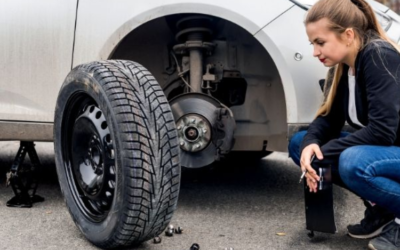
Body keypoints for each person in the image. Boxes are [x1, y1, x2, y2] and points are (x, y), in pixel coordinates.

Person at [288, 0, 400, 249]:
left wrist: (323, 154)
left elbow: (382, 132)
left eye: (320, 42)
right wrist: (311, 147)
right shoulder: (346, 67)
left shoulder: (379, 56)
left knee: (353, 161)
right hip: (391, 152)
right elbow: (328, 119)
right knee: (299, 144)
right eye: (312, 44)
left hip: (392, 147)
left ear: (348, 35)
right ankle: (381, 210)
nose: (315, 52)